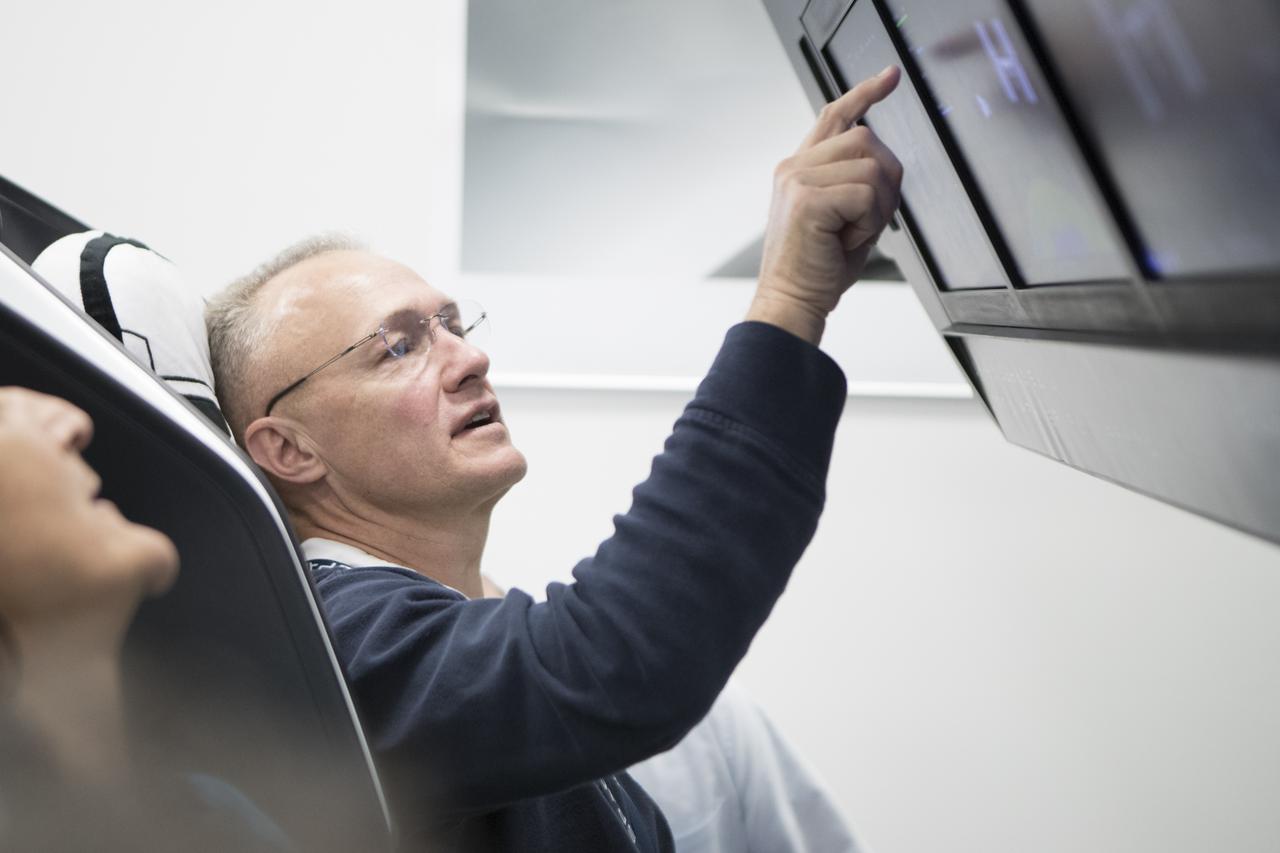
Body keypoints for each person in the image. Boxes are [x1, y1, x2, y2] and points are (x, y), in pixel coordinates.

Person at [205, 66, 904, 851]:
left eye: (453, 324)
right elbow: (620, 655)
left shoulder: (441, 616)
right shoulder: (333, 648)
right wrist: (789, 302)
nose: (468, 360)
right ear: (289, 449)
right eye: (398, 346)